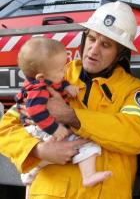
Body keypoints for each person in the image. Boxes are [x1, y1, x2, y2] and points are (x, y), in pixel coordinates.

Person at [0, 1, 140, 199]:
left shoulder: (134, 89)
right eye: (91, 38)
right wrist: (39, 150)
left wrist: (73, 117)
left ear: (120, 53)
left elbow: (136, 136)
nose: (93, 50)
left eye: (106, 45)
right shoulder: (54, 75)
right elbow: (7, 129)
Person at [15, 37, 112, 198]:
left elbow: (56, 82)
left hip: (41, 131)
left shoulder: (45, 79)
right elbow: (35, 112)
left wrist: (66, 86)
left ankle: (29, 179)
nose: (64, 72)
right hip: (43, 130)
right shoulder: (37, 90)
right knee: (88, 144)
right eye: (60, 70)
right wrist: (54, 129)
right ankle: (88, 176)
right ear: (40, 77)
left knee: (35, 168)